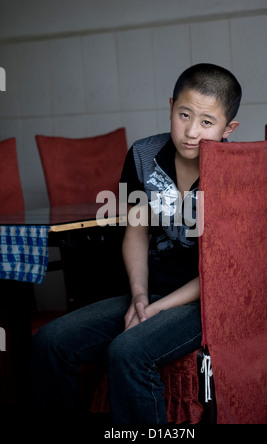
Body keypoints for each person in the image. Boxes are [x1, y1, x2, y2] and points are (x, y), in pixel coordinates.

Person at [29, 63, 241, 422]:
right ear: (171, 106)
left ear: (228, 128)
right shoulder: (143, 154)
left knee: (127, 351)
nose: (190, 131)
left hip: (204, 302)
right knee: (50, 342)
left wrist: (158, 310)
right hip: (152, 289)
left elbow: (221, 271)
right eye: (184, 114)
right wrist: (141, 296)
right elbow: (137, 231)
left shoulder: (236, 171)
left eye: (206, 122)